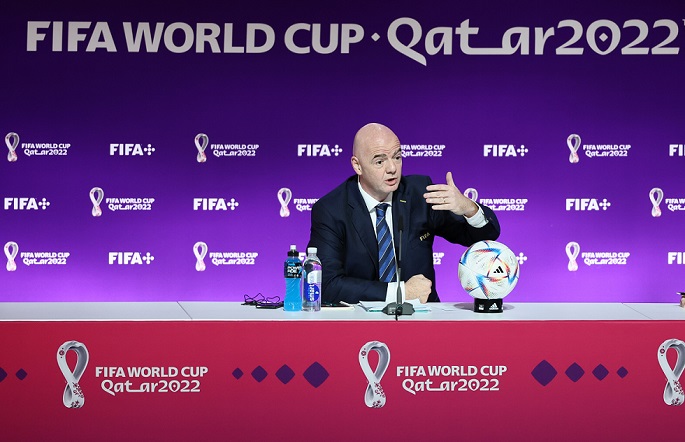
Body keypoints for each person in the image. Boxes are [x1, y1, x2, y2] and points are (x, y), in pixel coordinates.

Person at [308, 123, 500, 304]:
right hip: (361, 319)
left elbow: (484, 237)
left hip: (422, 317)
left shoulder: (420, 194)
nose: (392, 168)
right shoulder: (331, 209)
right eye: (380, 161)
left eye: (397, 157)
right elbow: (326, 284)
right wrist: (400, 292)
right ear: (357, 165)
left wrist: (468, 208)